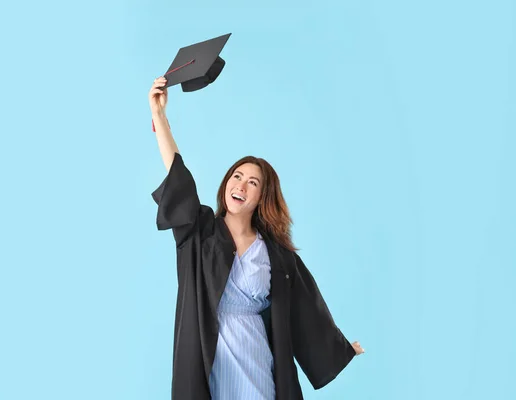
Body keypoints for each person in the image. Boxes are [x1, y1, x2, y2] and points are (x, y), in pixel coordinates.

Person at [148, 76, 365, 400]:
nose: (241, 185)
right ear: (226, 184)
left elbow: (307, 307)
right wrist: (161, 117)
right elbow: (178, 177)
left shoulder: (276, 256)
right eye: (237, 176)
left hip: (255, 358)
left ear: (263, 196)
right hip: (206, 358)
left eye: (253, 182)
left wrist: (339, 348)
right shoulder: (199, 232)